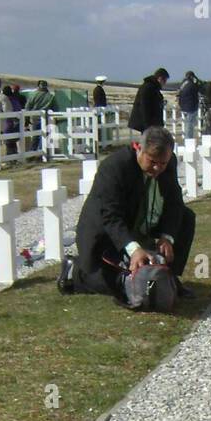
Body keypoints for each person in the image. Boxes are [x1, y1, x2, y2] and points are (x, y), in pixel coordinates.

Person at [70, 126, 196, 308]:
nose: (157, 168)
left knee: (186, 217)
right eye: (152, 161)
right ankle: (74, 271)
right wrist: (134, 249)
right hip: (107, 233)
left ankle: (168, 278)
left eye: (163, 163)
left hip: (143, 222)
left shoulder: (168, 163)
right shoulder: (114, 167)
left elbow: (175, 203)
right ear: (138, 147)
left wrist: (167, 237)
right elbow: (111, 217)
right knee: (118, 282)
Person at [24, 78, 53, 154]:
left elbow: (27, 107)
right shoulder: (50, 96)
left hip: (34, 117)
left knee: (35, 136)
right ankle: (40, 152)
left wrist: (26, 119)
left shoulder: (33, 95)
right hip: (45, 117)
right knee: (43, 136)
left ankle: (33, 152)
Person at [178, 71, 201, 141]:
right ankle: (189, 139)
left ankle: (187, 138)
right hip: (190, 106)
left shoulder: (183, 84)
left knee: (187, 123)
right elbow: (198, 89)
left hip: (183, 106)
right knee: (190, 124)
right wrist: (197, 81)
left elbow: (179, 94)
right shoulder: (192, 84)